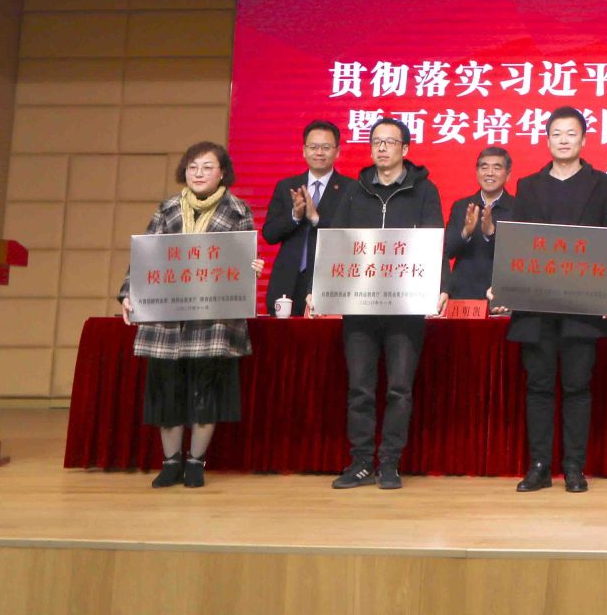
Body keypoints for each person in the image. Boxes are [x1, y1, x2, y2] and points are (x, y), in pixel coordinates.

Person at [117, 141, 263, 489]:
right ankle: (171, 462)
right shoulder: (168, 208)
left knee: (206, 391)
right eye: (192, 167)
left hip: (213, 318)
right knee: (166, 389)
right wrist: (128, 292)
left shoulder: (237, 210)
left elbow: (243, 259)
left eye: (207, 167)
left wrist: (251, 268)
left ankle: (196, 462)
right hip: (167, 319)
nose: (198, 173)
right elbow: (146, 255)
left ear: (222, 173)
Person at [502, 106, 607, 494]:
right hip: (536, 306)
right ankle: (539, 466)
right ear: (548, 140)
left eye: (571, 133)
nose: (564, 140)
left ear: (584, 140)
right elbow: (517, 242)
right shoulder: (529, 186)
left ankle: (573, 467)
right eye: (557, 133)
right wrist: (504, 284)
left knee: (576, 386)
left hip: (582, 306)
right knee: (538, 386)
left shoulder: (602, 186)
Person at [320, 117, 444, 491]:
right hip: (360, 305)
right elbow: (336, 240)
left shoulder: (424, 190)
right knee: (360, 388)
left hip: (405, 307)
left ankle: (389, 462)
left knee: (399, 389)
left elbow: (434, 242)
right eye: (376, 141)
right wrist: (321, 287)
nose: (382, 148)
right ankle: (361, 462)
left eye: (390, 142)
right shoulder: (354, 190)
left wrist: (441, 286)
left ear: (405, 149)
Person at [260, 120, 355, 315]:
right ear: (304, 151)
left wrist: (316, 219)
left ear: (337, 152)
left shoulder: (351, 189)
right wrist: (295, 217)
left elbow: (352, 238)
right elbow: (269, 234)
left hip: (328, 281)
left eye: (326, 147)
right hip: (286, 282)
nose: (319, 152)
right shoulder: (286, 186)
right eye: (313, 147)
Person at [443, 146, 517, 301]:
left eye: (497, 168)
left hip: (500, 296)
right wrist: (466, 232)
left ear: (508, 175)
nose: (489, 173)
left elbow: (518, 256)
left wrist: (491, 233)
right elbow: (448, 250)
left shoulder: (518, 208)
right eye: (484, 167)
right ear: (477, 172)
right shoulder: (462, 206)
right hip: (463, 296)